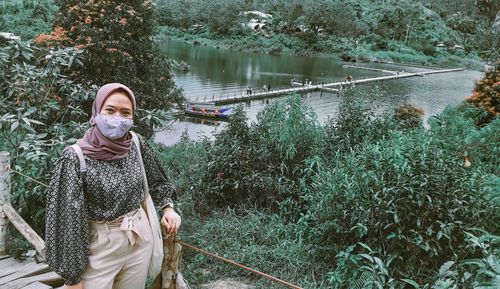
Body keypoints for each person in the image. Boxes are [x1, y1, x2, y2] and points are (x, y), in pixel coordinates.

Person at [45, 83, 181, 289]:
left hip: (138, 240)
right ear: (96, 111)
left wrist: (168, 207)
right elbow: (66, 220)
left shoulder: (135, 143)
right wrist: (73, 279)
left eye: (125, 113)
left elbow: (158, 180)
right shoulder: (75, 157)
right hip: (98, 248)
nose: (117, 118)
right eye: (110, 110)